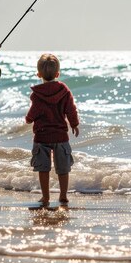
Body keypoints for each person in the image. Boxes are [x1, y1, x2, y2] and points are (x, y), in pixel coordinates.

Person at [25, 53, 80, 205]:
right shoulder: (64, 91)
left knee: (43, 169)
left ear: (38, 74)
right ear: (57, 74)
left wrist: (28, 119)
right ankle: (63, 195)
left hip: (42, 137)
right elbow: (71, 109)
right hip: (61, 136)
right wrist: (74, 124)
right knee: (63, 168)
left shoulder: (37, 94)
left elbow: (34, 112)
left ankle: (46, 196)